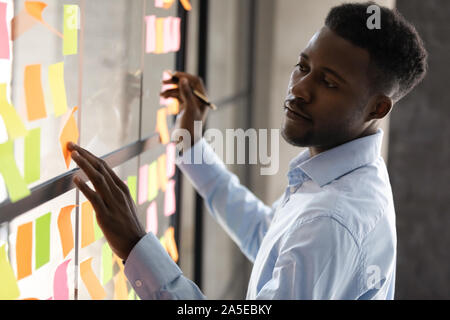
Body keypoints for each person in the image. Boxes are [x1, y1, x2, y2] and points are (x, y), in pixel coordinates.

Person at [68, 2, 427, 299]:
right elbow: (266, 236)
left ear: (377, 109)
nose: (300, 88)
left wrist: (134, 244)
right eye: (303, 66)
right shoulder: (342, 178)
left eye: (329, 82)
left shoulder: (331, 220)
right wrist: (191, 148)